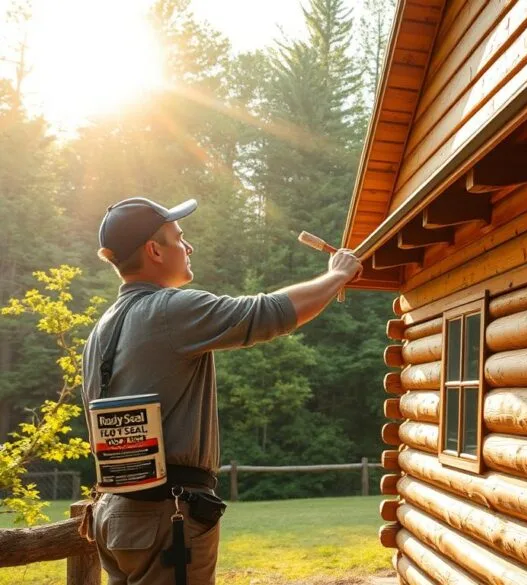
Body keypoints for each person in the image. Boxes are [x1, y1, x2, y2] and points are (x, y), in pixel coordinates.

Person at [80, 197, 361, 585]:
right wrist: (337, 275)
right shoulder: (168, 310)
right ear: (155, 250)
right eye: (180, 238)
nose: (188, 246)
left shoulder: (101, 329)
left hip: (115, 517)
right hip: (166, 517)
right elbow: (270, 313)